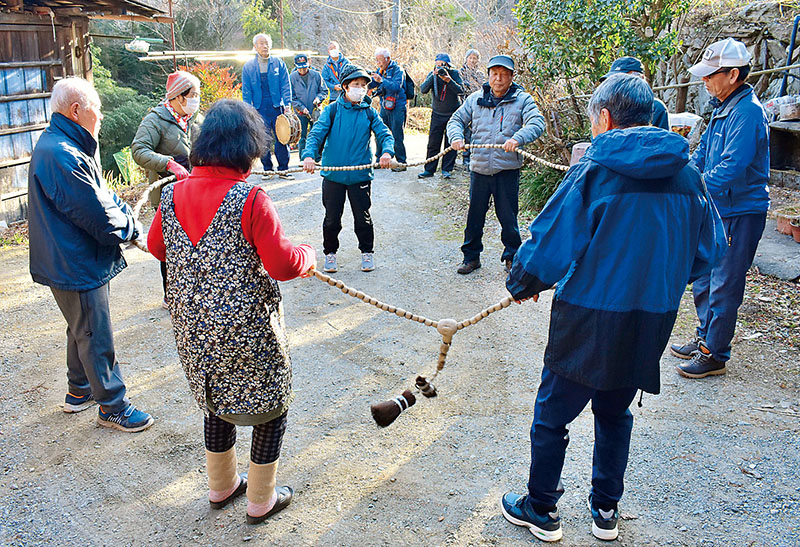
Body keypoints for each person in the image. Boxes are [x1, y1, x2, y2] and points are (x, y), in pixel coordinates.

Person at [500, 74, 727, 543]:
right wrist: (661, 276)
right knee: (616, 410)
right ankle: (606, 508)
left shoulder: (595, 171)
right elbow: (711, 251)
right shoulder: (689, 175)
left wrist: (523, 282)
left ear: (604, 118)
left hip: (589, 314)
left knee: (553, 413)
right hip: (653, 316)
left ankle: (540, 507)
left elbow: (549, 244)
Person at [147, 99, 316, 524]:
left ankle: (221, 487)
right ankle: (261, 499)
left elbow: (155, 246)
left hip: (193, 330)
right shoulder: (249, 198)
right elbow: (280, 264)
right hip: (247, 328)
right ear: (247, 148)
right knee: (269, 405)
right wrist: (307, 255)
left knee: (216, 402)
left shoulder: (171, 195)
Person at [27, 77, 154, 433]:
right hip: (74, 260)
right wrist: (130, 229)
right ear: (77, 110)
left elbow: (100, 194)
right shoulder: (62, 153)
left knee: (80, 326)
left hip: (67, 256)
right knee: (95, 331)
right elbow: (94, 211)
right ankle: (112, 405)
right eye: (97, 108)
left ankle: (79, 391)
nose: (101, 116)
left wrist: (126, 215)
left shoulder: (64, 144)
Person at [671, 38, 770, 379]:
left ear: (732, 74)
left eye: (710, 75)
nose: (705, 81)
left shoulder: (747, 112)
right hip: (717, 206)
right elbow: (703, 155)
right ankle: (703, 337)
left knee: (725, 281)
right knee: (704, 274)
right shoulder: (723, 107)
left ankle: (715, 353)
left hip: (740, 210)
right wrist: (685, 174)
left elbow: (732, 166)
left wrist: (695, 187)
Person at [447, 54, 545, 275]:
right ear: (488, 75)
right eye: (494, 74)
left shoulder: (522, 100)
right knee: (475, 216)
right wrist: (456, 138)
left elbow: (537, 122)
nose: (498, 79)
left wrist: (518, 138)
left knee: (508, 217)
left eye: (504, 74)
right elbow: (456, 120)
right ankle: (471, 257)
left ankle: (512, 257)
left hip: (506, 170)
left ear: (512, 77)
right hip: (479, 168)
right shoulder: (474, 99)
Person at [301, 64, 394, 274]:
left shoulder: (369, 112)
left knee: (363, 217)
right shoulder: (332, 110)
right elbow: (316, 134)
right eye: (356, 85)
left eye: (363, 85)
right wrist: (308, 156)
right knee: (332, 218)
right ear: (345, 86)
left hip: (360, 176)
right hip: (333, 175)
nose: (360, 89)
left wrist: (387, 152)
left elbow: (384, 134)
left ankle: (367, 252)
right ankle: (330, 253)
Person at [131, 70, 202, 308]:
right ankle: (170, 294)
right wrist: (167, 163)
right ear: (178, 97)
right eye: (193, 94)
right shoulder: (155, 119)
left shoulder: (195, 118)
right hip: (168, 193)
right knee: (171, 245)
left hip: (196, 190)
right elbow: (139, 150)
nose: (196, 99)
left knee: (197, 241)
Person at [242, 33, 294, 180]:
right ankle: (267, 169)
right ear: (255, 47)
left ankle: (284, 169)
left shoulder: (278, 63)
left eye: (266, 43)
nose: (264, 46)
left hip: (277, 106)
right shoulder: (248, 67)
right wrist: (248, 110)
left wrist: (287, 104)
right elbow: (246, 90)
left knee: (282, 138)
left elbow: (285, 85)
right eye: (261, 43)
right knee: (263, 139)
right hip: (259, 108)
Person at [418, 53, 463, 179]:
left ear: (448, 65)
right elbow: (423, 90)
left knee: (450, 144)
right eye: (437, 64)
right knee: (433, 143)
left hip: (452, 114)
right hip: (437, 114)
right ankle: (429, 170)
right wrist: (433, 76)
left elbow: (461, 90)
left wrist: (449, 80)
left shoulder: (454, 74)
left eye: (442, 64)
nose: (440, 67)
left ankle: (446, 169)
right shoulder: (433, 74)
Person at [600, 56, 669, 130]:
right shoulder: (605, 107)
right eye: (612, 81)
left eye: (621, 81)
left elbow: (661, 139)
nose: (615, 86)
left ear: (639, 80)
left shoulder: (655, 107)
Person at [368, 47, 407, 171]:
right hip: (385, 105)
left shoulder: (398, 70)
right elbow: (374, 85)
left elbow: (396, 86)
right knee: (380, 131)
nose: (378, 63)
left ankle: (401, 162)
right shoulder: (380, 71)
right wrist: (370, 79)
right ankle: (380, 160)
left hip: (398, 106)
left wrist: (382, 80)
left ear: (388, 59)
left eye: (380, 60)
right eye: (377, 60)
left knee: (397, 133)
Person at [290, 53, 327, 161]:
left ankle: (318, 157)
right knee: (302, 136)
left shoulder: (316, 75)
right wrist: (301, 108)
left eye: (304, 67)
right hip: (300, 112)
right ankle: (303, 158)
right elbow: (292, 97)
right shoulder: (292, 77)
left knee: (317, 134)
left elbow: (324, 91)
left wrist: (318, 99)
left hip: (315, 110)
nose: (302, 70)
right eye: (300, 68)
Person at [459, 48, 485, 169]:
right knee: (465, 132)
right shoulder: (460, 73)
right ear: (466, 59)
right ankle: (465, 156)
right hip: (463, 104)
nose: (472, 60)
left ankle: (474, 156)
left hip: (477, 105)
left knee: (475, 131)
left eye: (475, 58)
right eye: (471, 58)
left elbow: (481, 88)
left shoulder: (480, 74)